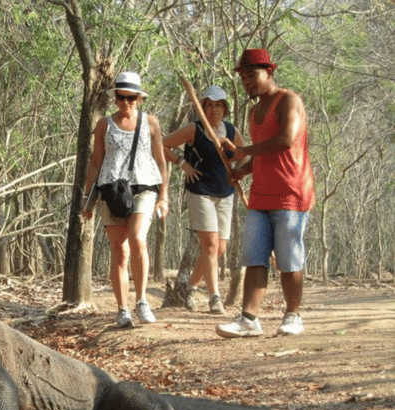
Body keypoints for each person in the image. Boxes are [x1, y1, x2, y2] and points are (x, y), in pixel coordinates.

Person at [216, 49, 314, 338]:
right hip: (260, 194)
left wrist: (243, 151)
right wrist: (243, 169)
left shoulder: (288, 100)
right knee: (254, 256)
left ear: (269, 71)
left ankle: (293, 315)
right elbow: (261, 154)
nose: (248, 82)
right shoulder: (253, 110)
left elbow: (285, 140)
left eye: (253, 75)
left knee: (288, 258)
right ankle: (249, 319)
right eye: (244, 77)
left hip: (291, 192)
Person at [82, 72, 169, 328]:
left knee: (137, 238)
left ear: (139, 98)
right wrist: (87, 199)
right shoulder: (103, 125)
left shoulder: (151, 123)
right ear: (115, 98)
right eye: (121, 96)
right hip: (112, 192)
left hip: (144, 189)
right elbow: (96, 161)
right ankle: (123, 310)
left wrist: (164, 196)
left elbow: (161, 160)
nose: (126, 102)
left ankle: (142, 300)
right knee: (119, 252)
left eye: (131, 97)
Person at [163, 85, 246, 315]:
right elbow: (162, 144)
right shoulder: (194, 129)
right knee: (208, 245)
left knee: (219, 249)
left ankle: (189, 288)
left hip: (225, 193)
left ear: (225, 108)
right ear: (202, 107)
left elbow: (243, 153)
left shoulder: (230, 130)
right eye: (209, 105)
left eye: (218, 105)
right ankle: (215, 298)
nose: (213, 109)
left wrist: (237, 171)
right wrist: (182, 163)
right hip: (200, 191)